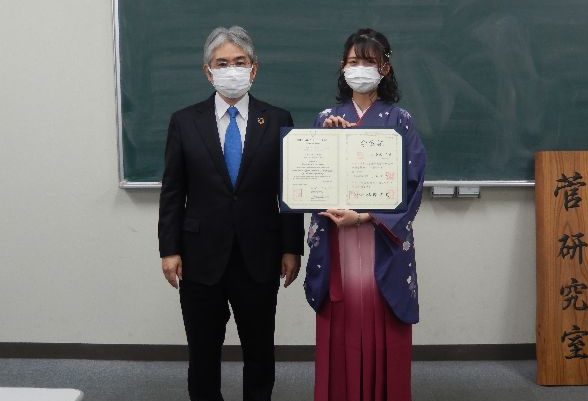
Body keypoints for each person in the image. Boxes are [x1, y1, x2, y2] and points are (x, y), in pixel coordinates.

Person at [158, 26, 304, 401]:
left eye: (239, 62)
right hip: (200, 255)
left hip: (259, 253)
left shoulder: (277, 119)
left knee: (260, 348)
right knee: (203, 350)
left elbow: (290, 190)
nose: (231, 70)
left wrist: (292, 247)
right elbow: (173, 191)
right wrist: (169, 249)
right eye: (222, 63)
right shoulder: (184, 121)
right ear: (208, 72)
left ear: (254, 68)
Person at [303, 28, 426, 401]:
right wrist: (328, 141)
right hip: (338, 237)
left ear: (385, 68)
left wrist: (366, 215)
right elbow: (309, 178)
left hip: (379, 236)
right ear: (342, 67)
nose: (360, 69)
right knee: (342, 327)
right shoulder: (327, 119)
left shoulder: (400, 120)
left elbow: (413, 183)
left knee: (382, 321)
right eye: (353, 61)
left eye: (369, 62)